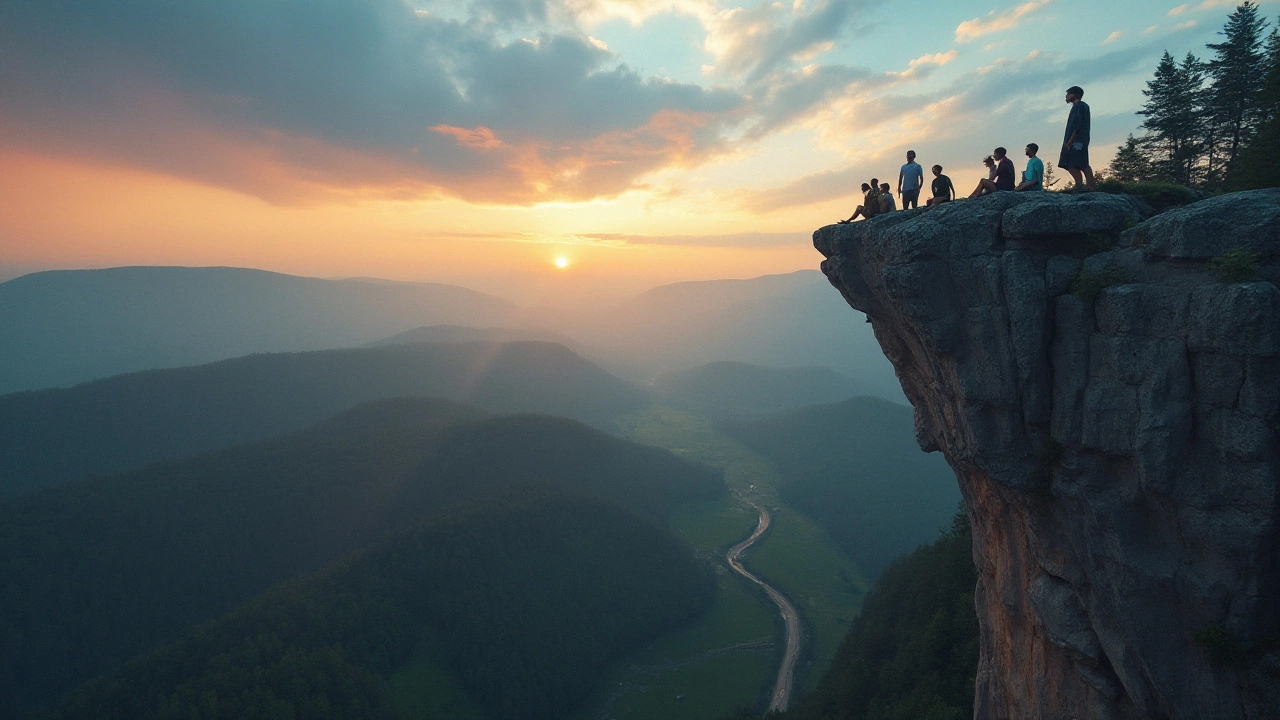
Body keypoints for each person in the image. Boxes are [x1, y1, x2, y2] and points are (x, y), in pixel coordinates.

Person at [1060, 85, 1094, 191]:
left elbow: (1078, 125)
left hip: (1078, 140)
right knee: (1070, 163)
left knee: (1082, 163)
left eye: (1068, 94)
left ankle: (1090, 186)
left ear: (1075, 95)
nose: (1066, 96)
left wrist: (1070, 141)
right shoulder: (1076, 107)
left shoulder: (1081, 106)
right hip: (1073, 140)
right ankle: (1079, 185)